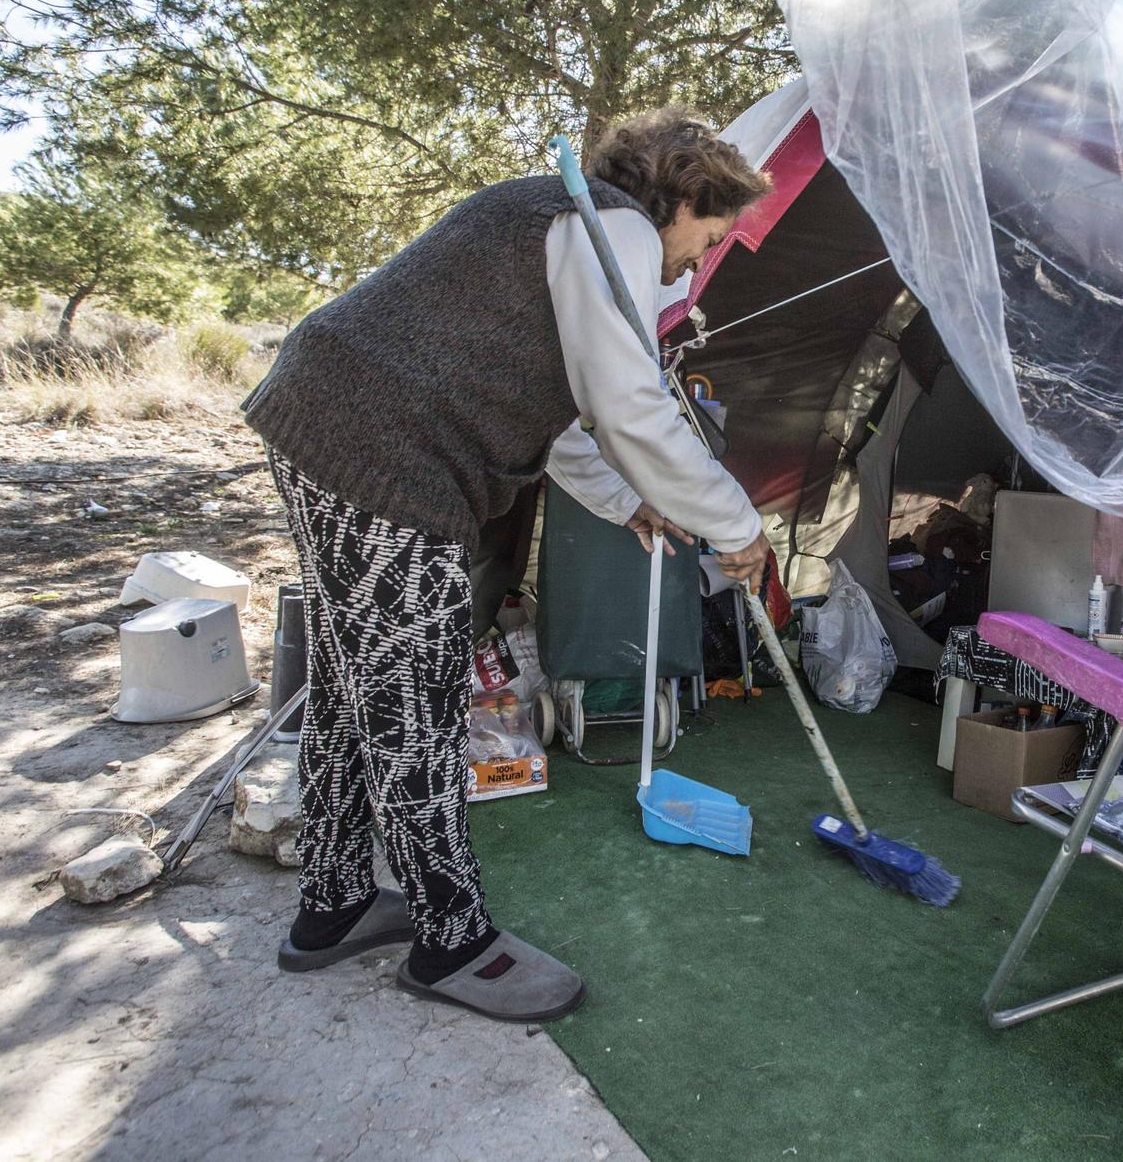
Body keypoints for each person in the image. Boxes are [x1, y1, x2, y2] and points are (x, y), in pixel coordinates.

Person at [241, 108, 773, 1023]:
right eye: (709, 237)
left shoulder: (571, 222)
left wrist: (625, 500)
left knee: (351, 679)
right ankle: (451, 939)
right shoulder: (617, 225)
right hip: (384, 449)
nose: (697, 263)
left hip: (326, 414)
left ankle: (332, 903)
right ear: (684, 196)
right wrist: (736, 524)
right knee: (413, 690)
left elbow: (564, 417)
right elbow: (631, 406)